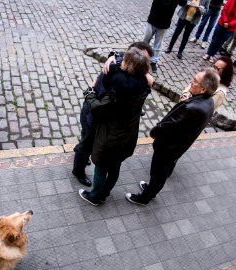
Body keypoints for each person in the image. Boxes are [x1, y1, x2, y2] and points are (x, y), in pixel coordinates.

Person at [125, 68, 220, 206]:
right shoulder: (209, 102)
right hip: (178, 146)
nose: (191, 82)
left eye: (195, 81)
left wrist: (154, 132)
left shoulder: (191, 108)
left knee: (158, 172)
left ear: (203, 89)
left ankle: (144, 198)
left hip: (168, 147)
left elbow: (169, 126)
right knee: (161, 173)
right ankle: (152, 189)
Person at [72, 42, 154, 187]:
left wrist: (112, 55)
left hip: (104, 118)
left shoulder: (131, 69)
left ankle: (82, 155)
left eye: (146, 61)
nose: (144, 64)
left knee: (88, 142)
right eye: (142, 59)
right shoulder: (116, 74)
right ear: (131, 54)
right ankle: (78, 170)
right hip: (95, 114)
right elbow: (100, 105)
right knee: (86, 143)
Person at [144, 0, 183, 72]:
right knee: (146, 41)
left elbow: (183, 3)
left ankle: (153, 61)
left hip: (164, 23)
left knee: (158, 44)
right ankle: (141, 57)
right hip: (152, 19)